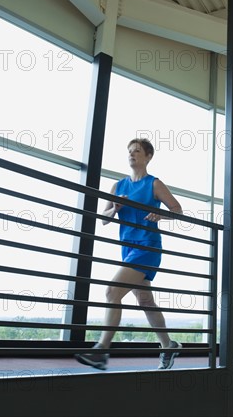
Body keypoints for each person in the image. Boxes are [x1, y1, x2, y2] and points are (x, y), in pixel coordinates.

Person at [75, 138, 183, 370]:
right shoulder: (118, 186)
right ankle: (168, 345)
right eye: (130, 152)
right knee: (145, 300)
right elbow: (103, 220)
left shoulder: (154, 184)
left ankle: (101, 351)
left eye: (137, 151)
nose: (132, 155)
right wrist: (115, 208)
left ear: (148, 157)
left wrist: (159, 214)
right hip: (128, 248)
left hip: (148, 246)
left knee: (112, 291)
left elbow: (177, 211)